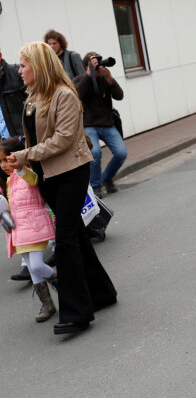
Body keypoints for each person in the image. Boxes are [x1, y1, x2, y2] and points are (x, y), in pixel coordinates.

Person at [7, 41, 117, 335]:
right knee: (77, 235)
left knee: (65, 239)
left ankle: (77, 312)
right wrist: (20, 156)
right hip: (47, 175)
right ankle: (103, 293)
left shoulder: (64, 95)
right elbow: (33, 138)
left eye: (24, 65)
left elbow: (64, 139)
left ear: (39, 67)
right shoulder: (32, 97)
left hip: (71, 172)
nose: (20, 71)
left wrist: (25, 156)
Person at [1, 137, 58, 322]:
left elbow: (34, 182)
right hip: (19, 229)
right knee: (32, 269)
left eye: (6, 159)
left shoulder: (28, 173)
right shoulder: (9, 181)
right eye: (0, 161)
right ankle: (47, 304)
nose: (3, 165)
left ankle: (61, 281)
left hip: (34, 225)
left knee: (36, 265)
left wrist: (21, 168)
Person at [1, 47, 35, 282]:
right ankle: (27, 259)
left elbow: (31, 105)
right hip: (0, 152)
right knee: (10, 203)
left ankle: (54, 238)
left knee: (33, 193)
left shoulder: (16, 75)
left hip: (18, 143)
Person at [74, 52, 127, 198]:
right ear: (87, 66)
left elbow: (120, 96)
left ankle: (107, 177)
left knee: (121, 153)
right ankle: (95, 185)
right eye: (95, 65)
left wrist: (109, 78)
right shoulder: (79, 79)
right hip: (89, 125)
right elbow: (77, 95)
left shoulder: (104, 79)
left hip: (108, 123)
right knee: (95, 152)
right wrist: (89, 76)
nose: (98, 68)